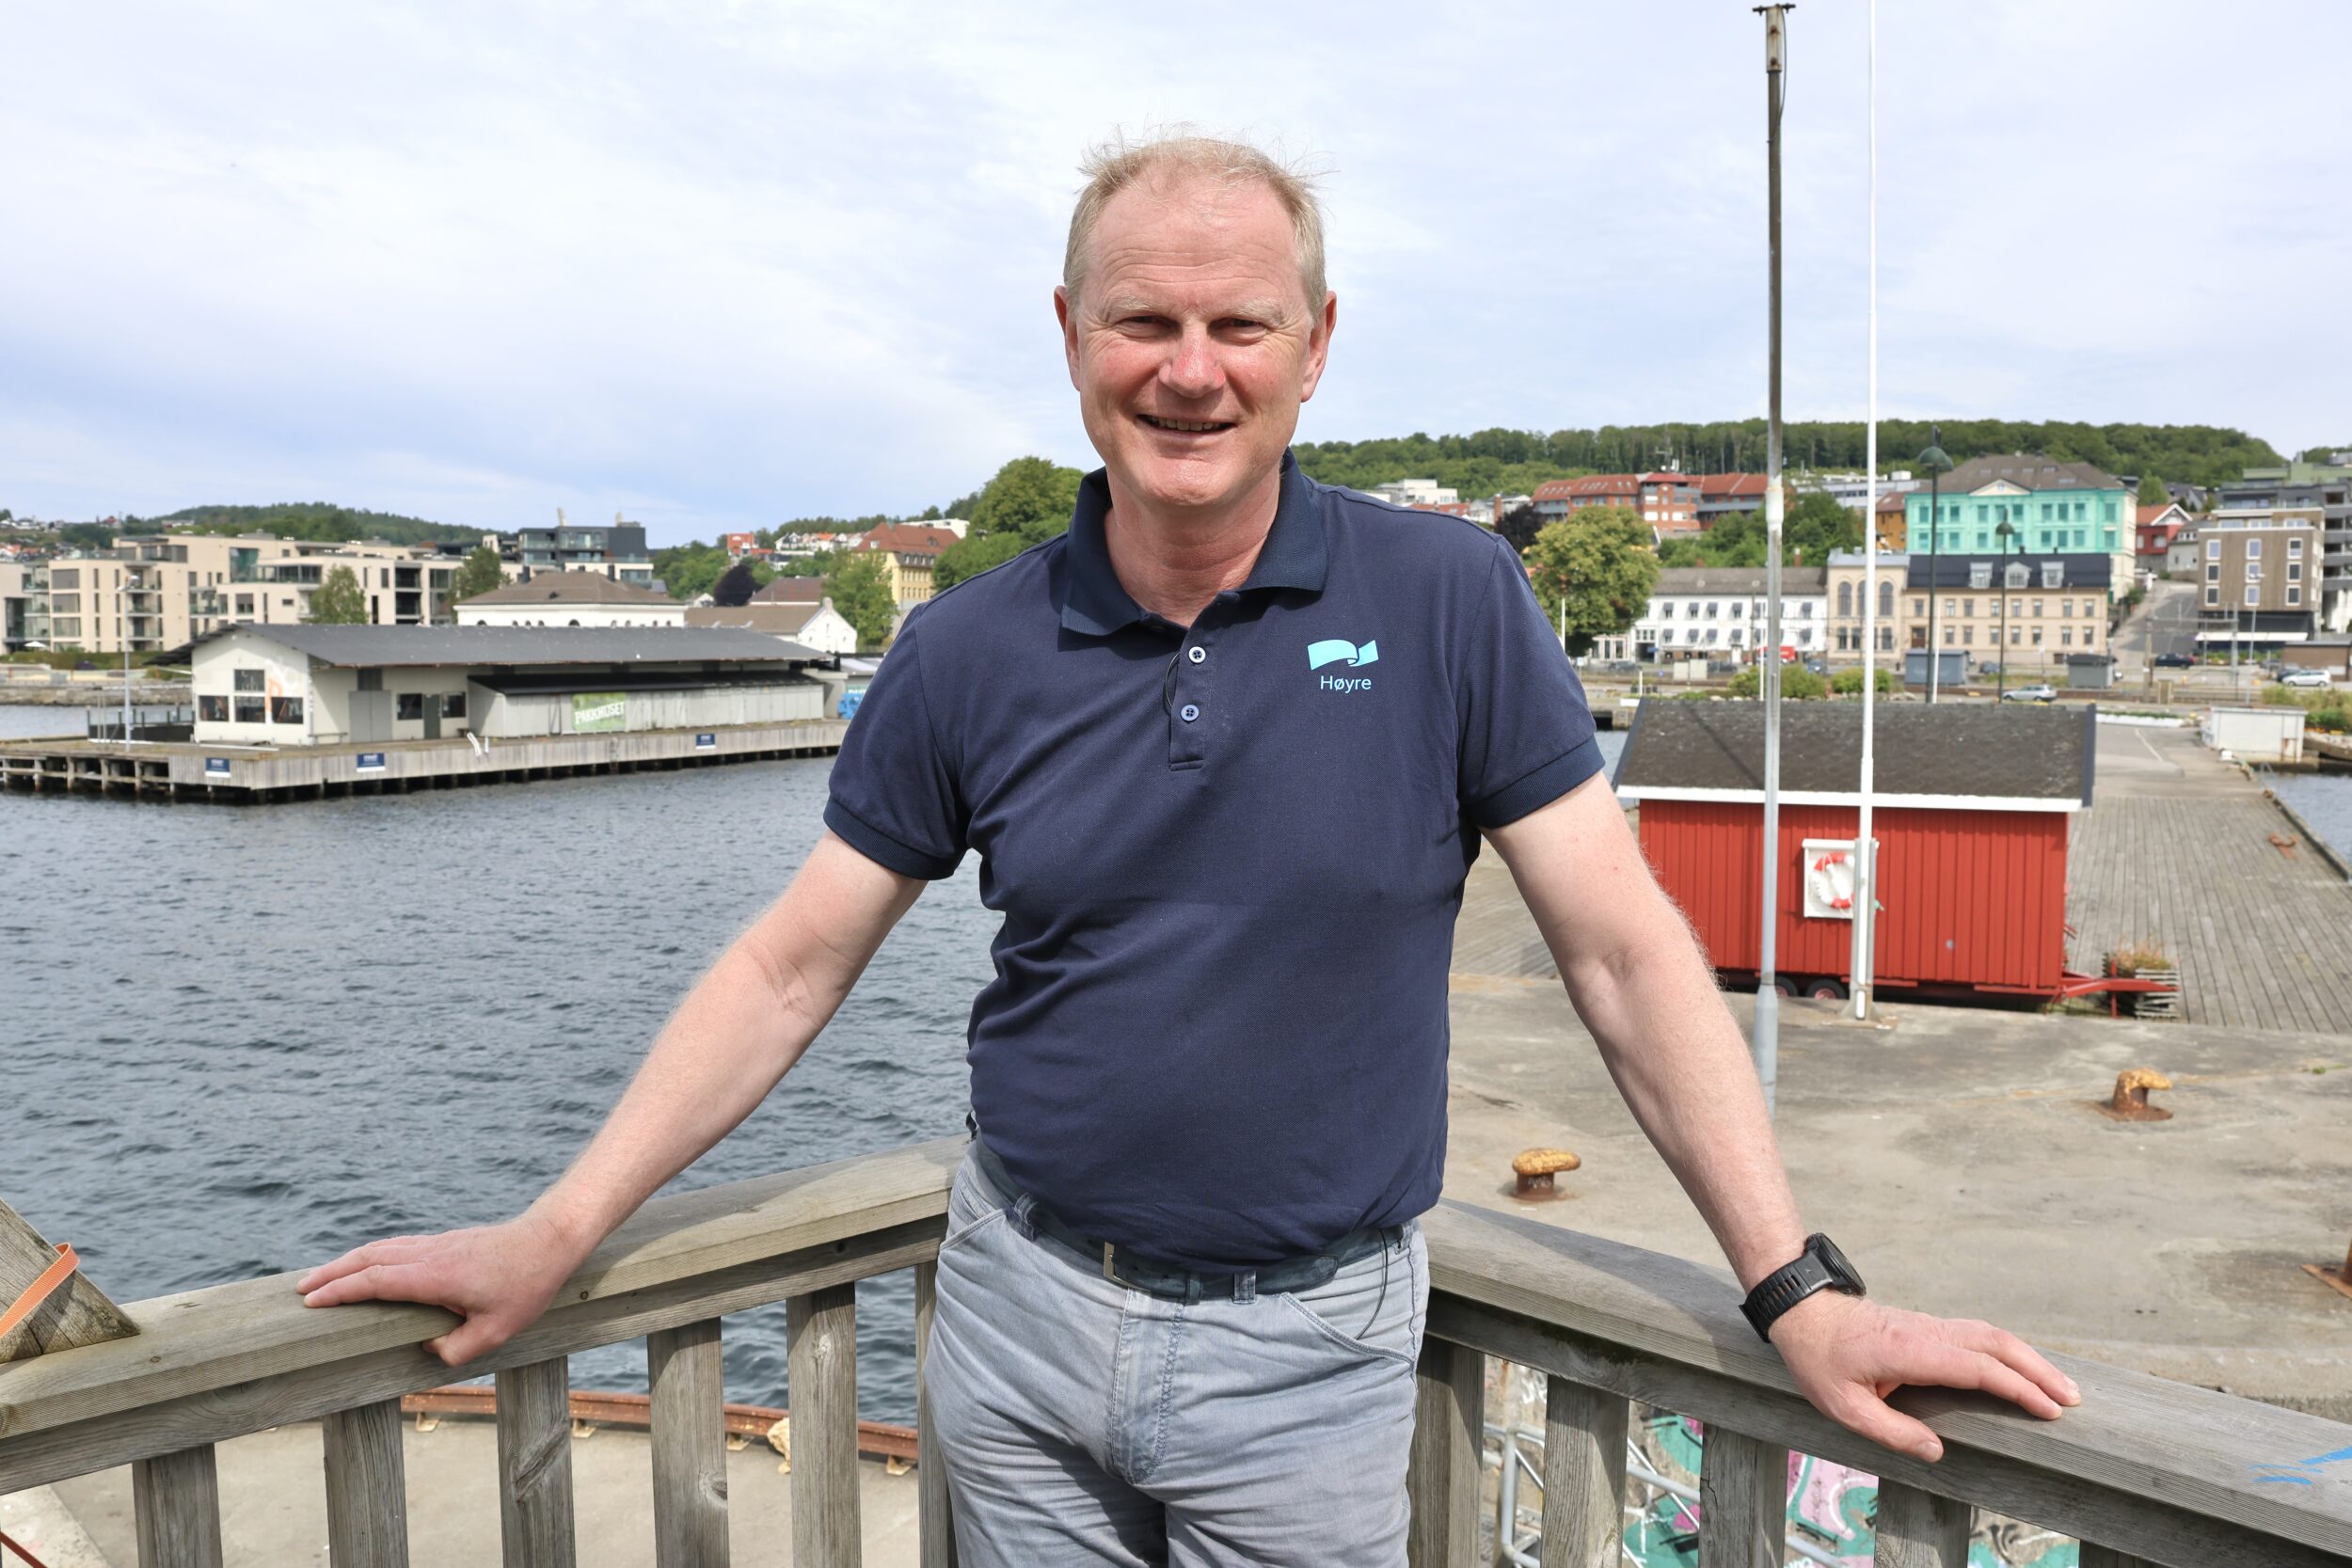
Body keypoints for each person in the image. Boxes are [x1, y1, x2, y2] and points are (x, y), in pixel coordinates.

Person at [298, 135, 2079, 1565]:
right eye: (1145, 323)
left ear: (1317, 346)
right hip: (1012, 1313)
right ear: (1072, 334)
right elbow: (790, 965)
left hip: (1308, 1350)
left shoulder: (1452, 601)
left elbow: (1621, 956)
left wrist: (1796, 1294)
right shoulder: (965, 649)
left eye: (1240, 327)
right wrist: (558, 1227)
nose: (1191, 372)